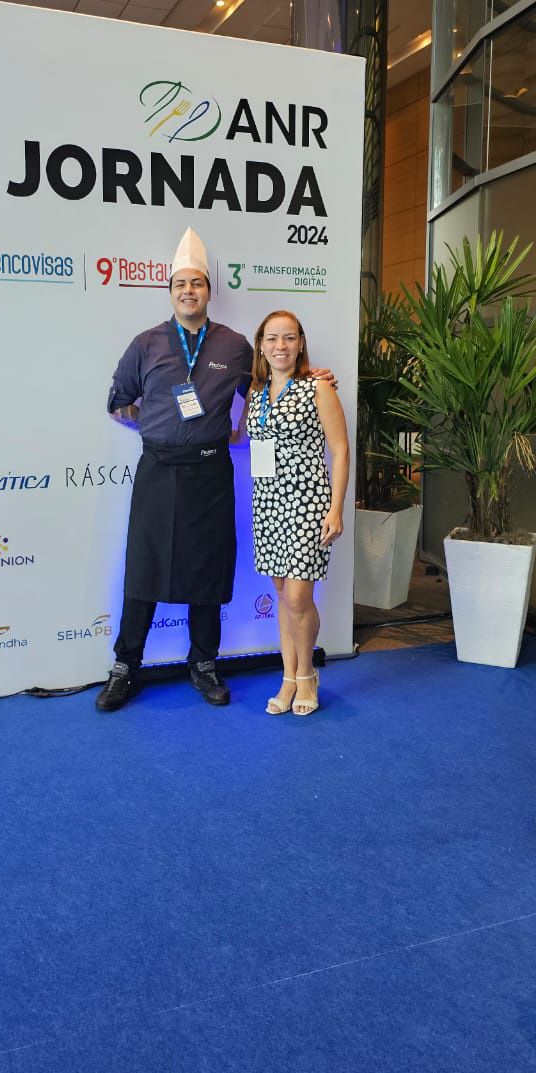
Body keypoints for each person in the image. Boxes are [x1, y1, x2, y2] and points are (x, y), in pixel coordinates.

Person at [97, 229, 333, 713]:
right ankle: (126, 666)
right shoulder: (145, 344)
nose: (189, 291)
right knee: (143, 569)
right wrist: (155, 423)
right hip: (158, 470)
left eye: (198, 284)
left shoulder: (235, 345)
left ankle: (203, 663)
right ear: (170, 291)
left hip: (211, 472)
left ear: (209, 291)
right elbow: (118, 403)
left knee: (208, 569)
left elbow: (271, 385)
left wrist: (313, 377)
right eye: (181, 284)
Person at [245, 310, 349, 717]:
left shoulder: (319, 387)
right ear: (261, 346)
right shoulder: (255, 392)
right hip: (268, 503)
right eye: (272, 339)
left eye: (288, 338)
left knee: (300, 596)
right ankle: (287, 678)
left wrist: (336, 508)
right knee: (283, 597)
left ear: (301, 343)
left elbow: (339, 450)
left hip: (308, 502)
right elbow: (246, 439)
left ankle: (306, 674)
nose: (280, 346)